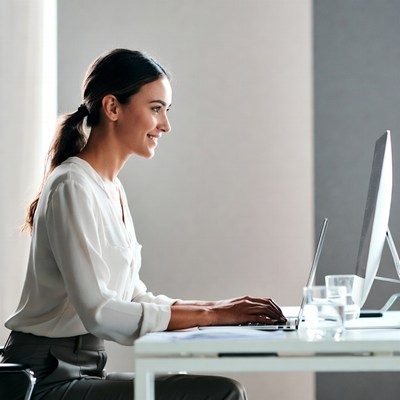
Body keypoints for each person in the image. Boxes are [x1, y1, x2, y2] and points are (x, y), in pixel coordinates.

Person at [2, 49, 286, 400]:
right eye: (156, 109)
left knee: (214, 390)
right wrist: (211, 316)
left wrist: (217, 308)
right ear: (112, 107)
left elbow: (133, 296)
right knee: (218, 394)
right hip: (42, 379)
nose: (165, 125)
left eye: (166, 110)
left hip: (83, 367)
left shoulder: (110, 188)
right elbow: (101, 312)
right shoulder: (72, 185)